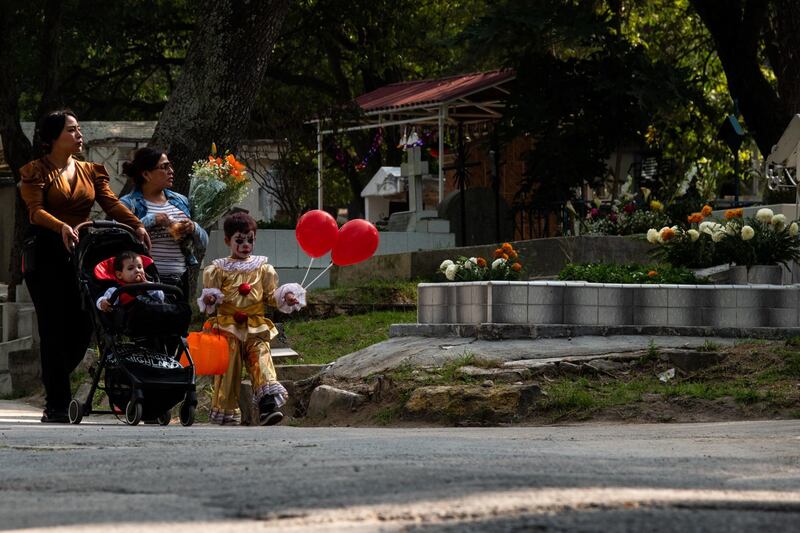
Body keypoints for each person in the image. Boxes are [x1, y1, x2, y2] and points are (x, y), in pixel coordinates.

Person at [19, 109, 150, 423]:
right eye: (72, 130)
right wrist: (61, 226)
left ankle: (55, 376)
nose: (79, 135)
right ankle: (57, 404)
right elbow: (35, 211)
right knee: (52, 327)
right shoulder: (35, 171)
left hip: (83, 252)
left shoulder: (90, 170)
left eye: (79, 129)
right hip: (47, 254)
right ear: (53, 138)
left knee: (84, 324)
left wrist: (137, 225)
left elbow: (110, 202)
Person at [198, 212, 305, 426]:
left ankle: (267, 407)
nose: (246, 244)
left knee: (262, 360)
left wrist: (287, 296)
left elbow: (270, 295)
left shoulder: (263, 268)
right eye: (240, 240)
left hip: (255, 326)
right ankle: (226, 412)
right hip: (228, 328)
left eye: (250, 239)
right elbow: (210, 296)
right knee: (229, 370)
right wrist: (210, 297)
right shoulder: (217, 269)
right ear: (228, 241)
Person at [119, 147, 208, 300]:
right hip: (144, 282)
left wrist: (194, 228)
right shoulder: (128, 204)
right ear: (146, 174)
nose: (171, 171)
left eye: (170, 166)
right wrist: (151, 220)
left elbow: (203, 243)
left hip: (179, 281)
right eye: (164, 167)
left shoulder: (180, 201)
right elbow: (120, 239)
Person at [96, 251, 165, 312]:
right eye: (130, 268)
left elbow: (161, 298)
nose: (137, 270)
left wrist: (149, 286)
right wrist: (103, 302)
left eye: (139, 267)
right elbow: (104, 298)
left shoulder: (149, 285)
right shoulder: (116, 290)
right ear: (119, 275)